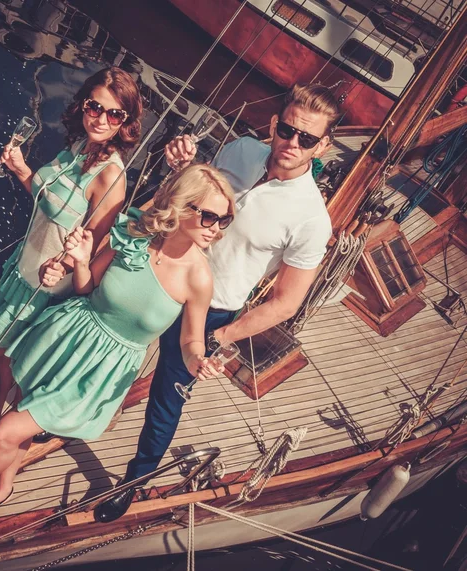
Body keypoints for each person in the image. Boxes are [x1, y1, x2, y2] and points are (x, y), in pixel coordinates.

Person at [0, 164, 236, 540]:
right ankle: (4, 486)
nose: (217, 229)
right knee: (21, 414)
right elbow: (86, 289)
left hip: (99, 372)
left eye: (225, 220)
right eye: (210, 217)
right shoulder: (136, 236)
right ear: (183, 207)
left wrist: (197, 362)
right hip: (64, 337)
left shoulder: (198, 278)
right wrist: (81, 260)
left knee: (5, 432)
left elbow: (191, 340)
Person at [95, 83, 341, 523]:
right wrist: (183, 167)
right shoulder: (241, 150)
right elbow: (191, 198)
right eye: (287, 131)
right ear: (274, 125)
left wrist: (221, 336)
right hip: (160, 275)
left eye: (307, 139)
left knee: (167, 398)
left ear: (322, 144)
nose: (291, 143)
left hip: (213, 311)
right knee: (108, 347)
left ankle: (134, 481)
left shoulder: (311, 219)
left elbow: (286, 302)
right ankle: (63, 419)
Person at [0, 67, 143, 451]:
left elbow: (92, 242)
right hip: (23, 266)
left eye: (114, 114)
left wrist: (62, 266)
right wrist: (21, 170)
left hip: (44, 286)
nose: (101, 119)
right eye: (95, 107)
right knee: (1, 362)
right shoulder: (79, 146)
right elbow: (51, 202)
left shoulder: (110, 175)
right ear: (84, 105)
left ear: (126, 122)